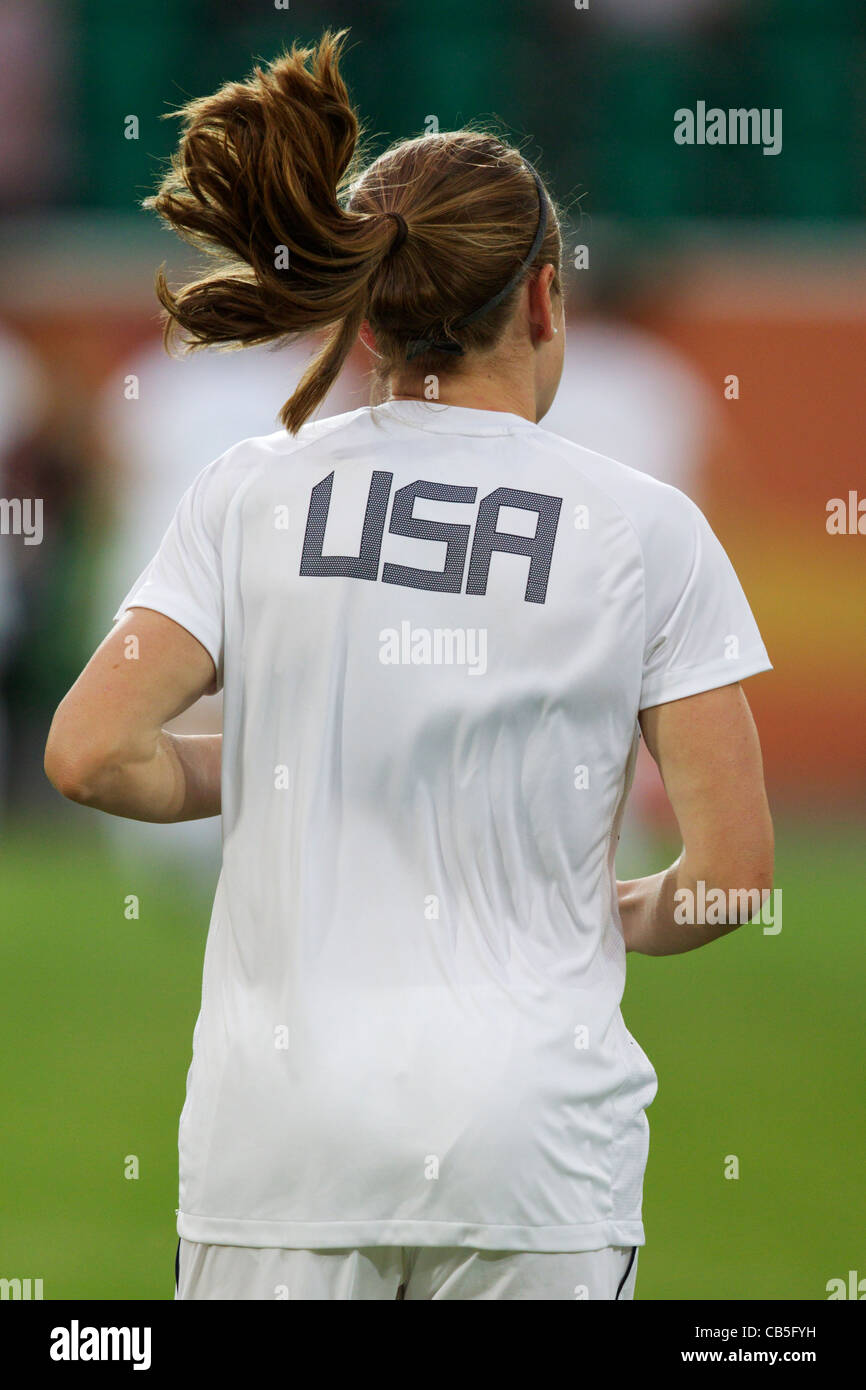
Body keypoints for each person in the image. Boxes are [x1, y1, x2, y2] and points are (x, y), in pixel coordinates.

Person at [44, 30, 773, 1301]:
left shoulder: (250, 490)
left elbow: (89, 750)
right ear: (545, 299)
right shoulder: (643, 526)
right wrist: (593, 912)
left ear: (361, 305)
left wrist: (280, 755)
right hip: (533, 1157)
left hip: (275, 1148)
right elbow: (728, 880)